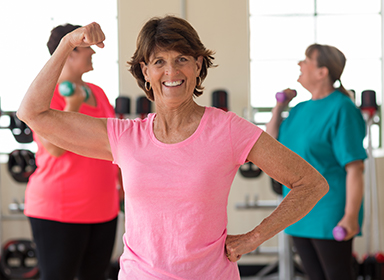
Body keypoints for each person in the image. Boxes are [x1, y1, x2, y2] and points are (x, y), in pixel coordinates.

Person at [17, 16, 328, 280]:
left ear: (198, 64)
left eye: (182, 59)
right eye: (159, 62)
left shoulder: (228, 129)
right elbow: (32, 113)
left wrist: (254, 237)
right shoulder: (125, 137)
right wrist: (67, 44)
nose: (171, 72)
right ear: (145, 71)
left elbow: (310, 183)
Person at [24, 23, 120, 280]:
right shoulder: (46, 96)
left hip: (104, 208)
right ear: (70, 52)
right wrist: (73, 105)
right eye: (87, 48)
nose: (93, 53)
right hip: (59, 209)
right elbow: (54, 148)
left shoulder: (99, 93)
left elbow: (113, 144)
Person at [266, 44, 367, 280]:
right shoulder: (300, 109)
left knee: (337, 276)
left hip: (328, 211)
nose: (299, 65)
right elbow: (270, 146)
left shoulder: (343, 109)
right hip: (297, 209)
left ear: (322, 72)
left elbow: (355, 168)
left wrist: (350, 217)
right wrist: (279, 108)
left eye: (306, 60)